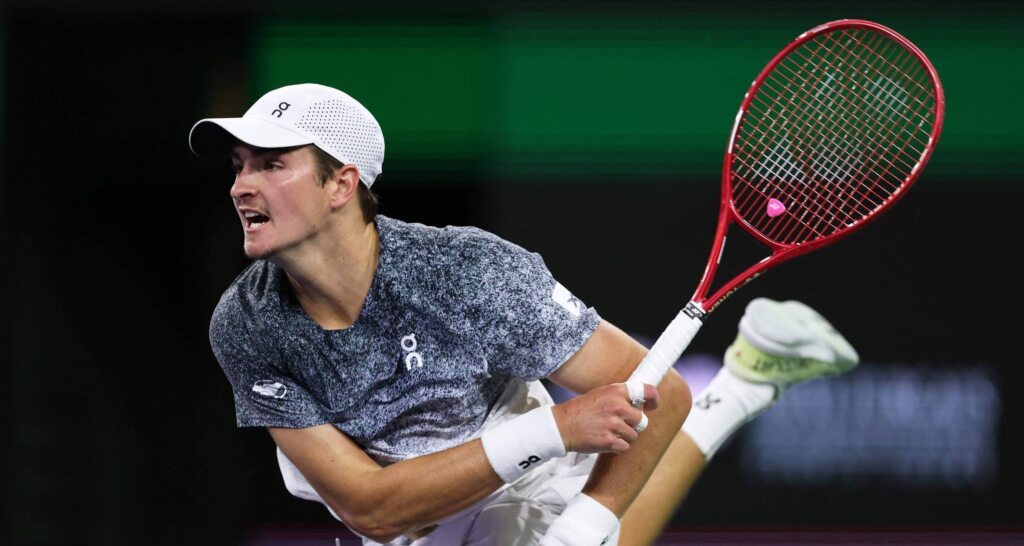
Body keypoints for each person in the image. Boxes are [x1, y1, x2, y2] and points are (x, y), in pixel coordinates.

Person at [189, 83, 859, 546]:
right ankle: (746, 379)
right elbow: (371, 506)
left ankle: (742, 385)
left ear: (342, 183)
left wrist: (586, 523)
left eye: (271, 165)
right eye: (240, 166)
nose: (241, 185)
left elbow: (663, 398)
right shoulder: (247, 324)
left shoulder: (467, 272)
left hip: (518, 483)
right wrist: (559, 426)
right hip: (398, 508)